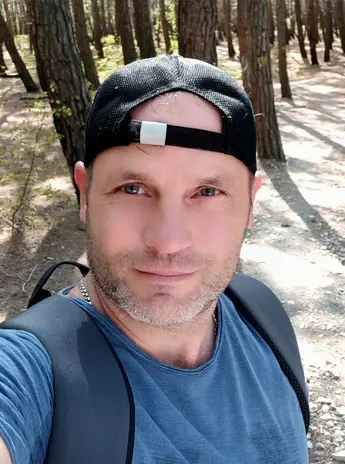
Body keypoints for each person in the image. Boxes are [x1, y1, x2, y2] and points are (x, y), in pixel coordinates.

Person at [0, 55, 309, 464]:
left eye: (207, 192)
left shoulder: (263, 317)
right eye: (133, 188)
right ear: (85, 194)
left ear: (251, 203)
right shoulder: (26, 370)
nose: (168, 241)